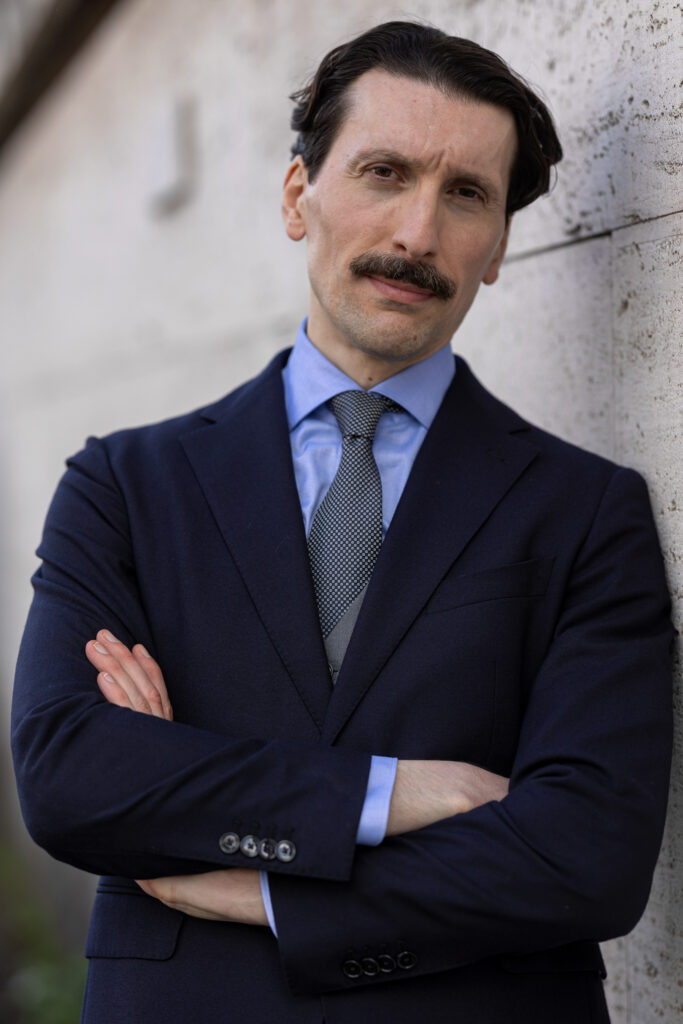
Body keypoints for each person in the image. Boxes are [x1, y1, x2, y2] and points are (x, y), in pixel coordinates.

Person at [11, 20, 672, 1024]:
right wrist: (388, 792)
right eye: (383, 172)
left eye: (465, 195)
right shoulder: (125, 485)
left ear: (498, 246)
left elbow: (587, 856)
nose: (416, 233)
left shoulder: (585, 512)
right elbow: (70, 777)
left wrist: (266, 888)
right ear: (297, 196)